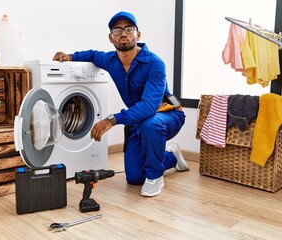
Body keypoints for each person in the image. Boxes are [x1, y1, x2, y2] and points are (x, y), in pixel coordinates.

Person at [53, 11, 189, 197]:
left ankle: (156, 176)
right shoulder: (111, 60)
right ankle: (171, 156)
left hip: (167, 115)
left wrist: (111, 119)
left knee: (150, 123)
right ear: (111, 38)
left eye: (129, 29)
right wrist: (70, 56)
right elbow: (93, 55)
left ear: (138, 35)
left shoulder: (155, 63)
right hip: (138, 121)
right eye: (117, 30)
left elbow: (149, 108)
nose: (123, 33)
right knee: (133, 177)